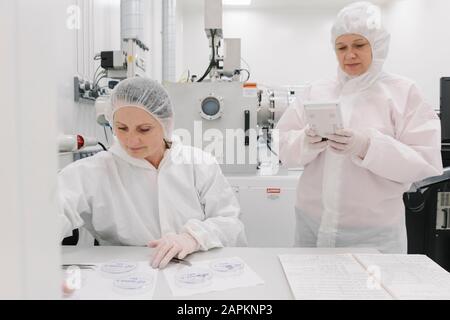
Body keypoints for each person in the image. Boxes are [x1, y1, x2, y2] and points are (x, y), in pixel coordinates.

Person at [276, 1, 443, 253]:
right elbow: (283, 148)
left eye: (359, 45)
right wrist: (306, 141)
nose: (349, 55)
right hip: (312, 226)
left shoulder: (403, 92)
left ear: (377, 46)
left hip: (374, 234)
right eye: (341, 47)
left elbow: (424, 162)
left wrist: (368, 146)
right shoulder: (316, 90)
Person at [58, 77, 247, 268]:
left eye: (144, 129)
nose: (131, 140)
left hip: (195, 271)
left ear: (166, 124)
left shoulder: (199, 164)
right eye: (122, 128)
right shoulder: (93, 172)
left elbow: (231, 223)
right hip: (127, 278)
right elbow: (50, 212)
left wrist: (193, 238)